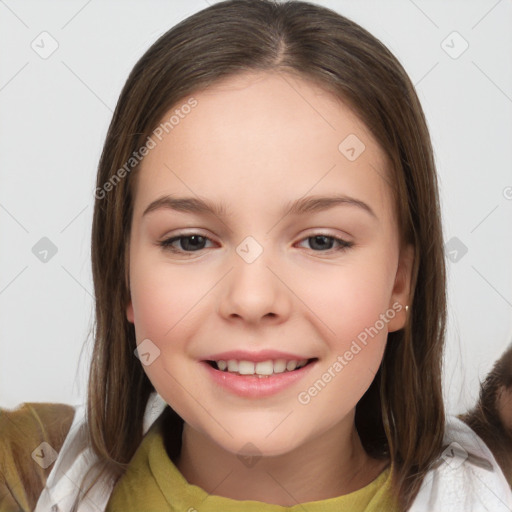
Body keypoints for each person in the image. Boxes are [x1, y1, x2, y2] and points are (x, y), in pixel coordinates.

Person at [1, 1, 511, 511]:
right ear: (123, 278)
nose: (252, 298)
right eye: (191, 241)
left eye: (321, 241)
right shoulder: (22, 468)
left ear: (400, 282)